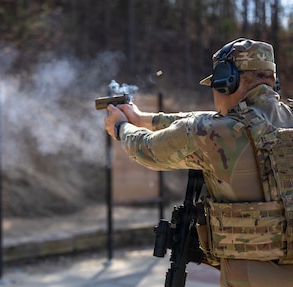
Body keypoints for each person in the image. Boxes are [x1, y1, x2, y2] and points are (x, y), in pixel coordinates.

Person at [103, 38, 293, 287]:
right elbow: (204, 120)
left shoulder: (210, 133)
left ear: (228, 80)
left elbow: (148, 150)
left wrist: (120, 128)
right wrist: (143, 118)